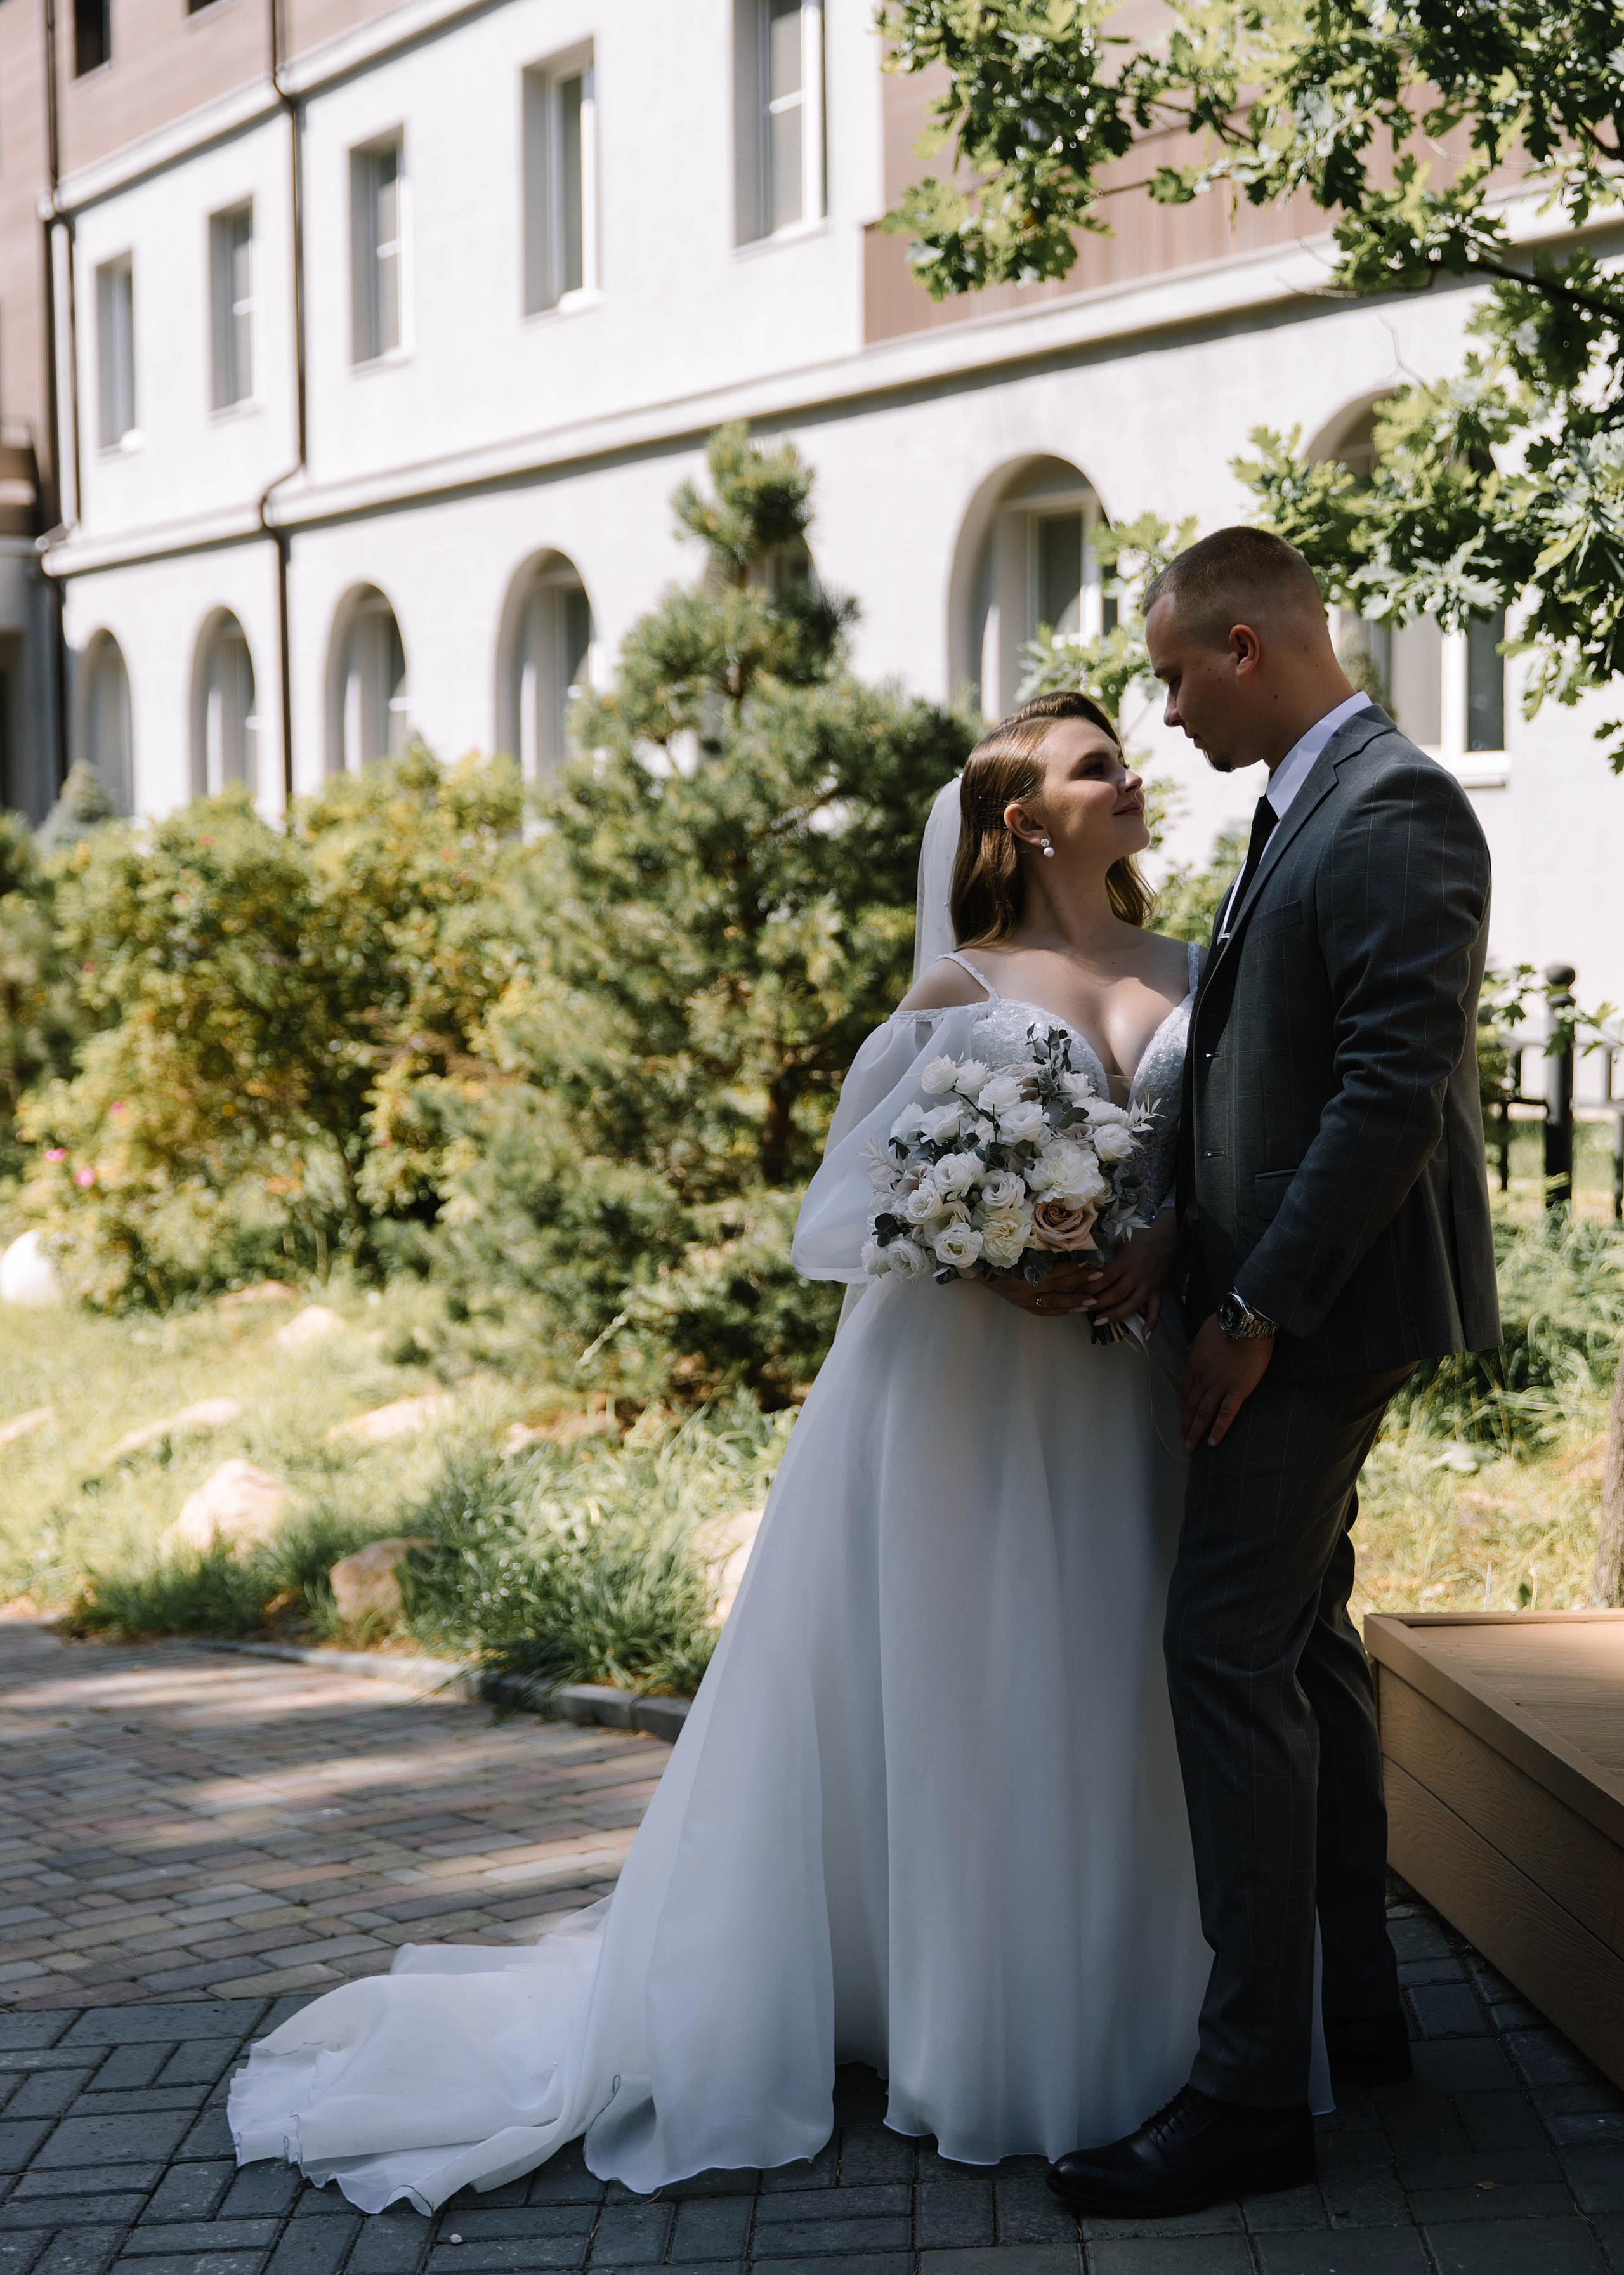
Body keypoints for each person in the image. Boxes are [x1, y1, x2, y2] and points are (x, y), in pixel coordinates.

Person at [228, 688, 1282, 2214]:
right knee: (975, 1682)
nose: (1131, 781)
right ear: (1020, 819)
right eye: (1095, 767)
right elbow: (849, 1210)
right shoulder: (953, 988)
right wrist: (997, 1257)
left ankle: (1130, 2014)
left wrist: (1162, 1230)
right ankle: (966, 2024)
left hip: (1124, 1378)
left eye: (1122, 759)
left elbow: (1209, 1158)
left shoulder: (1192, 966)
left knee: (1111, 1675)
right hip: (973, 1385)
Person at [1047, 528, 1499, 2219]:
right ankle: (1357, 2013)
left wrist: (1255, 1311)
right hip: (1258, 1288)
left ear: (1247, 646)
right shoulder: (1308, 800)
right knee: (1303, 1646)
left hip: (1315, 1317)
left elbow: (1388, 1093)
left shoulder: (1392, 809)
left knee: (1220, 1655)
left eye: (1170, 675)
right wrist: (1172, 1223)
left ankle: (1248, 2094)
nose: (1161, 711)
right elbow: (1243, 1062)